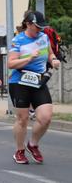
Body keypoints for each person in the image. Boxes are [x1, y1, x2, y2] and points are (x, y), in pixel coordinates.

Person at [8, 10, 60, 164]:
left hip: (37, 81)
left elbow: (50, 54)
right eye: (37, 26)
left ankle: (33, 144)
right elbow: (10, 63)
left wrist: (54, 60)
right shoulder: (18, 40)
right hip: (19, 82)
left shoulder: (44, 37)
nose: (40, 30)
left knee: (46, 117)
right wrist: (29, 58)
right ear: (28, 24)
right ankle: (19, 150)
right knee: (22, 119)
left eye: (42, 27)